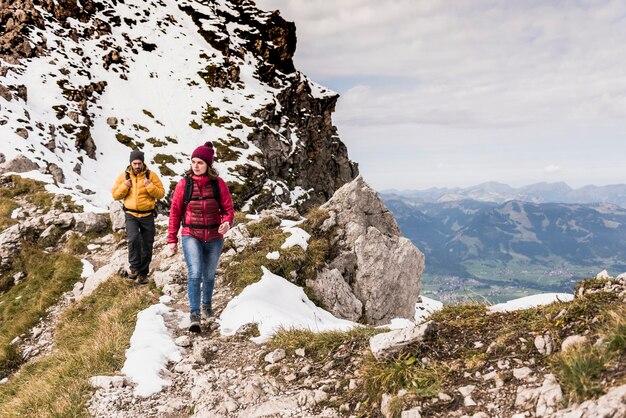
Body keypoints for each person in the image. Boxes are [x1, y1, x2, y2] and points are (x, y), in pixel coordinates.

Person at [168, 141, 235, 333]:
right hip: (191, 234)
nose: (196, 166)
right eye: (193, 162)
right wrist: (172, 240)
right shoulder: (184, 184)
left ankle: (207, 306)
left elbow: (228, 209)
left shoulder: (218, 184)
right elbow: (175, 213)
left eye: (200, 162)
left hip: (215, 235)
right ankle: (194, 314)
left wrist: (227, 223)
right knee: (195, 272)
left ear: (208, 165)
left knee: (209, 274)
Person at [112, 149, 165, 284]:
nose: (137, 166)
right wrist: (124, 186)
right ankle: (134, 268)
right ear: (131, 163)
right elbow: (115, 195)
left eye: (139, 163)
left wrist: (149, 186)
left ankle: (143, 274)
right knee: (134, 238)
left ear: (143, 163)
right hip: (131, 214)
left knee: (147, 244)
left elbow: (160, 194)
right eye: (134, 163)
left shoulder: (150, 176)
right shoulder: (124, 176)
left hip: (147, 214)